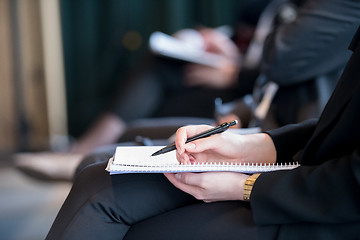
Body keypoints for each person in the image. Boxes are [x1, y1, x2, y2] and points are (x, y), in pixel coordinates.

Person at [45, 25, 360, 240]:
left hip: (325, 212)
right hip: (301, 173)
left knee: (130, 222)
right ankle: (80, 151)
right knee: (97, 177)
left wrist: (247, 186)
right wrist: (249, 147)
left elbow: (352, 186)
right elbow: (338, 125)